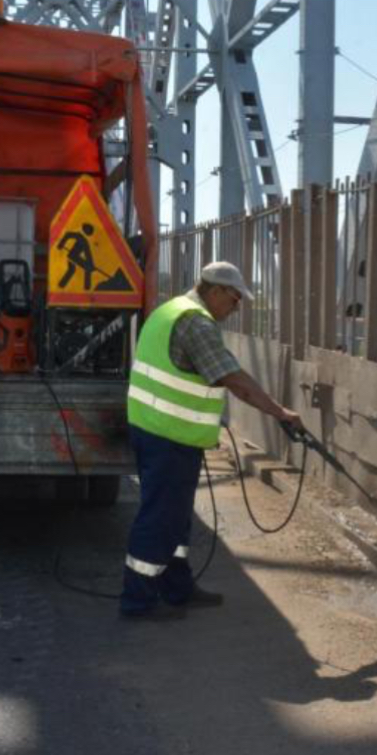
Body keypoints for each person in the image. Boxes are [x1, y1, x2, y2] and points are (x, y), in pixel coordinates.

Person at [121, 261, 302, 621]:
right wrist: (279, 411)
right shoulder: (196, 322)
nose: (234, 310)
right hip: (167, 437)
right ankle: (137, 601)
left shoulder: (169, 310)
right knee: (160, 518)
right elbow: (232, 377)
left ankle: (177, 588)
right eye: (234, 300)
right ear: (215, 291)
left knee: (175, 519)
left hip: (157, 431)